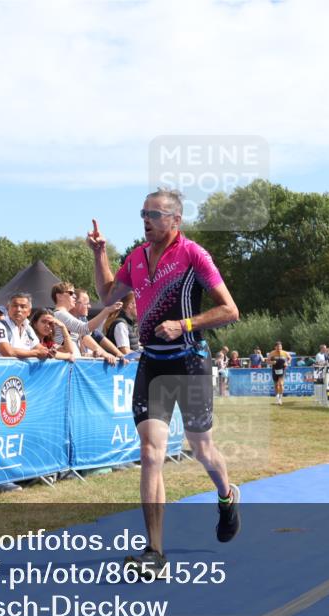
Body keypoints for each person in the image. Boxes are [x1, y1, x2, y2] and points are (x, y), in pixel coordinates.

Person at [87, 187, 241, 575]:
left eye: (154, 214)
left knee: (201, 448)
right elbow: (107, 295)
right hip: (152, 363)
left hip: (189, 361)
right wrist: (99, 254)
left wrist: (186, 324)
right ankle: (154, 551)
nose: (146, 220)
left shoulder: (194, 255)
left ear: (175, 220)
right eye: (143, 213)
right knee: (151, 453)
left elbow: (230, 310)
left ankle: (226, 495)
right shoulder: (136, 257)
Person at [51, 281, 121, 363]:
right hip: (66, 364)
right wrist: (107, 310)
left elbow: (83, 337)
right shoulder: (60, 314)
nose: (74, 296)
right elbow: (84, 329)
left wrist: (90, 355)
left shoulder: (61, 314)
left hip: (70, 362)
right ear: (59, 296)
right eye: (70, 293)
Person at [0, 293, 52, 359]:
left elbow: (40, 349)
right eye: (15, 306)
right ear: (8, 308)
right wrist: (36, 353)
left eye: (23, 307)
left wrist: (50, 352)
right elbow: (8, 352)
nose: (18, 309)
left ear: (29, 312)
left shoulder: (28, 329)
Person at [71, 288, 126, 359]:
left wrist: (118, 353)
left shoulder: (82, 318)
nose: (89, 306)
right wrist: (105, 354)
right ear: (75, 303)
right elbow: (85, 335)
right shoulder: (67, 318)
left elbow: (97, 335)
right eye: (86, 304)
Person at [267, 341, 291, 405]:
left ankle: (280, 398)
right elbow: (267, 361)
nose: (279, 348)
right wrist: (272, 362)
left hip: (282, 370)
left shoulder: (285, 353)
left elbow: (289, 358)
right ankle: (277, 398)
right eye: (277, 347)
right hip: (275, 370)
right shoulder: (272, 353)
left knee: (281, 384)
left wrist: (287, 363)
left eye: (280, 346)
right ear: (275, 347)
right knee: (276, 385)